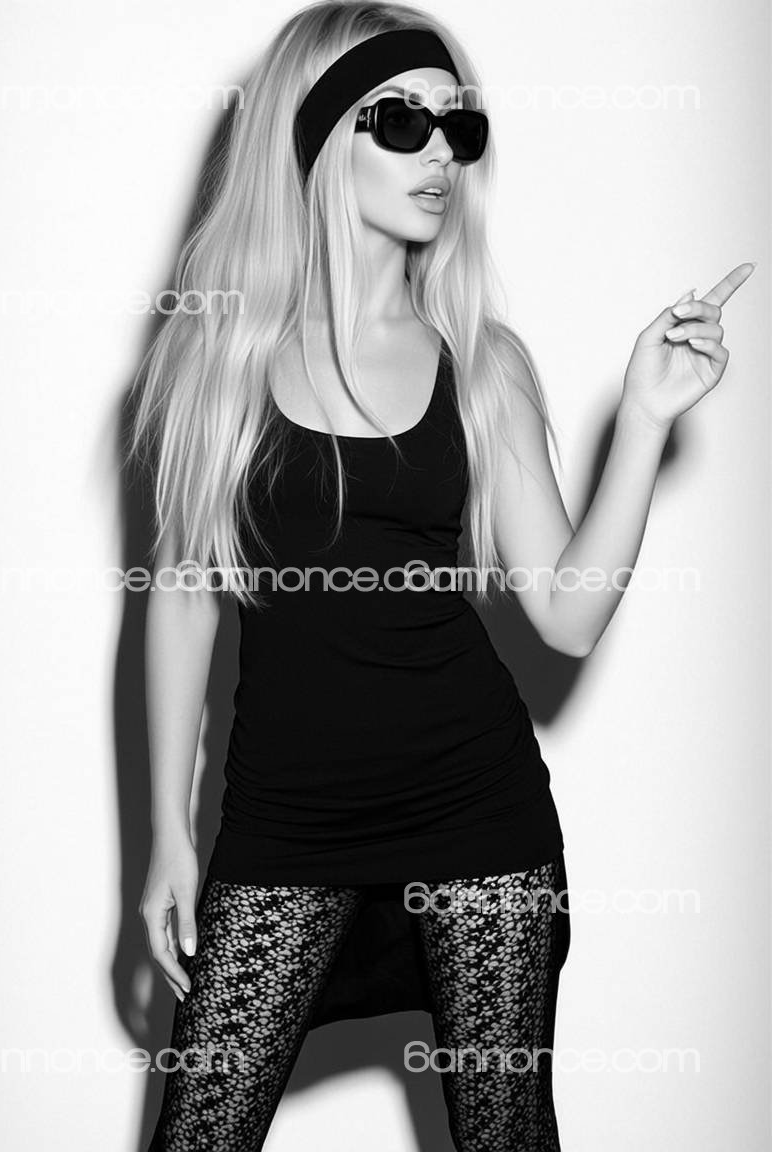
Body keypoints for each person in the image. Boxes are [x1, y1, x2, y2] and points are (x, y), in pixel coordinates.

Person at [126, 3, 753, 1149]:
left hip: (477, 819)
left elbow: (563, 617)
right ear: (316, 137)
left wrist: (643, 422)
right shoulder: (216, 358)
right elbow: (181, 594)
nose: (438, 157)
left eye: (457, 128)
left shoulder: (480, 363)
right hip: (284, 827)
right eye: (400, 122)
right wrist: (167, 832)